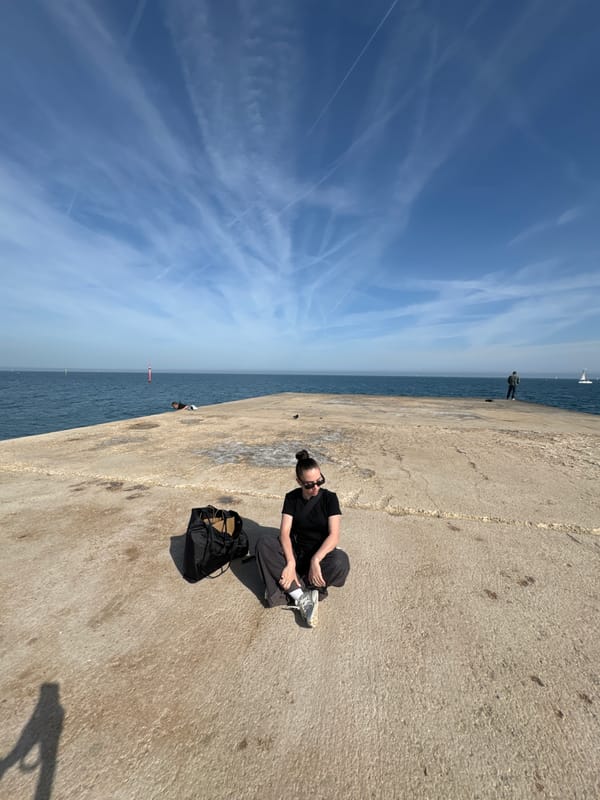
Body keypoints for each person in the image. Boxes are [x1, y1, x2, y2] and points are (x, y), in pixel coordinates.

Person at [255, 449, 350, 628]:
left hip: (318, 556)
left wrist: (316, 560)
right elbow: (284, 533)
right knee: (264, 543)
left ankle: (290, 589)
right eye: (309, 485)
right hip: (296, 553)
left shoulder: (330, 499)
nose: (316, 487)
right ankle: (303, 596)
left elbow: (334, 535)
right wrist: (290, 563)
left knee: (340, 561)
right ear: (299, 482)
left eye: (320, 481)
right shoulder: (291, 498)